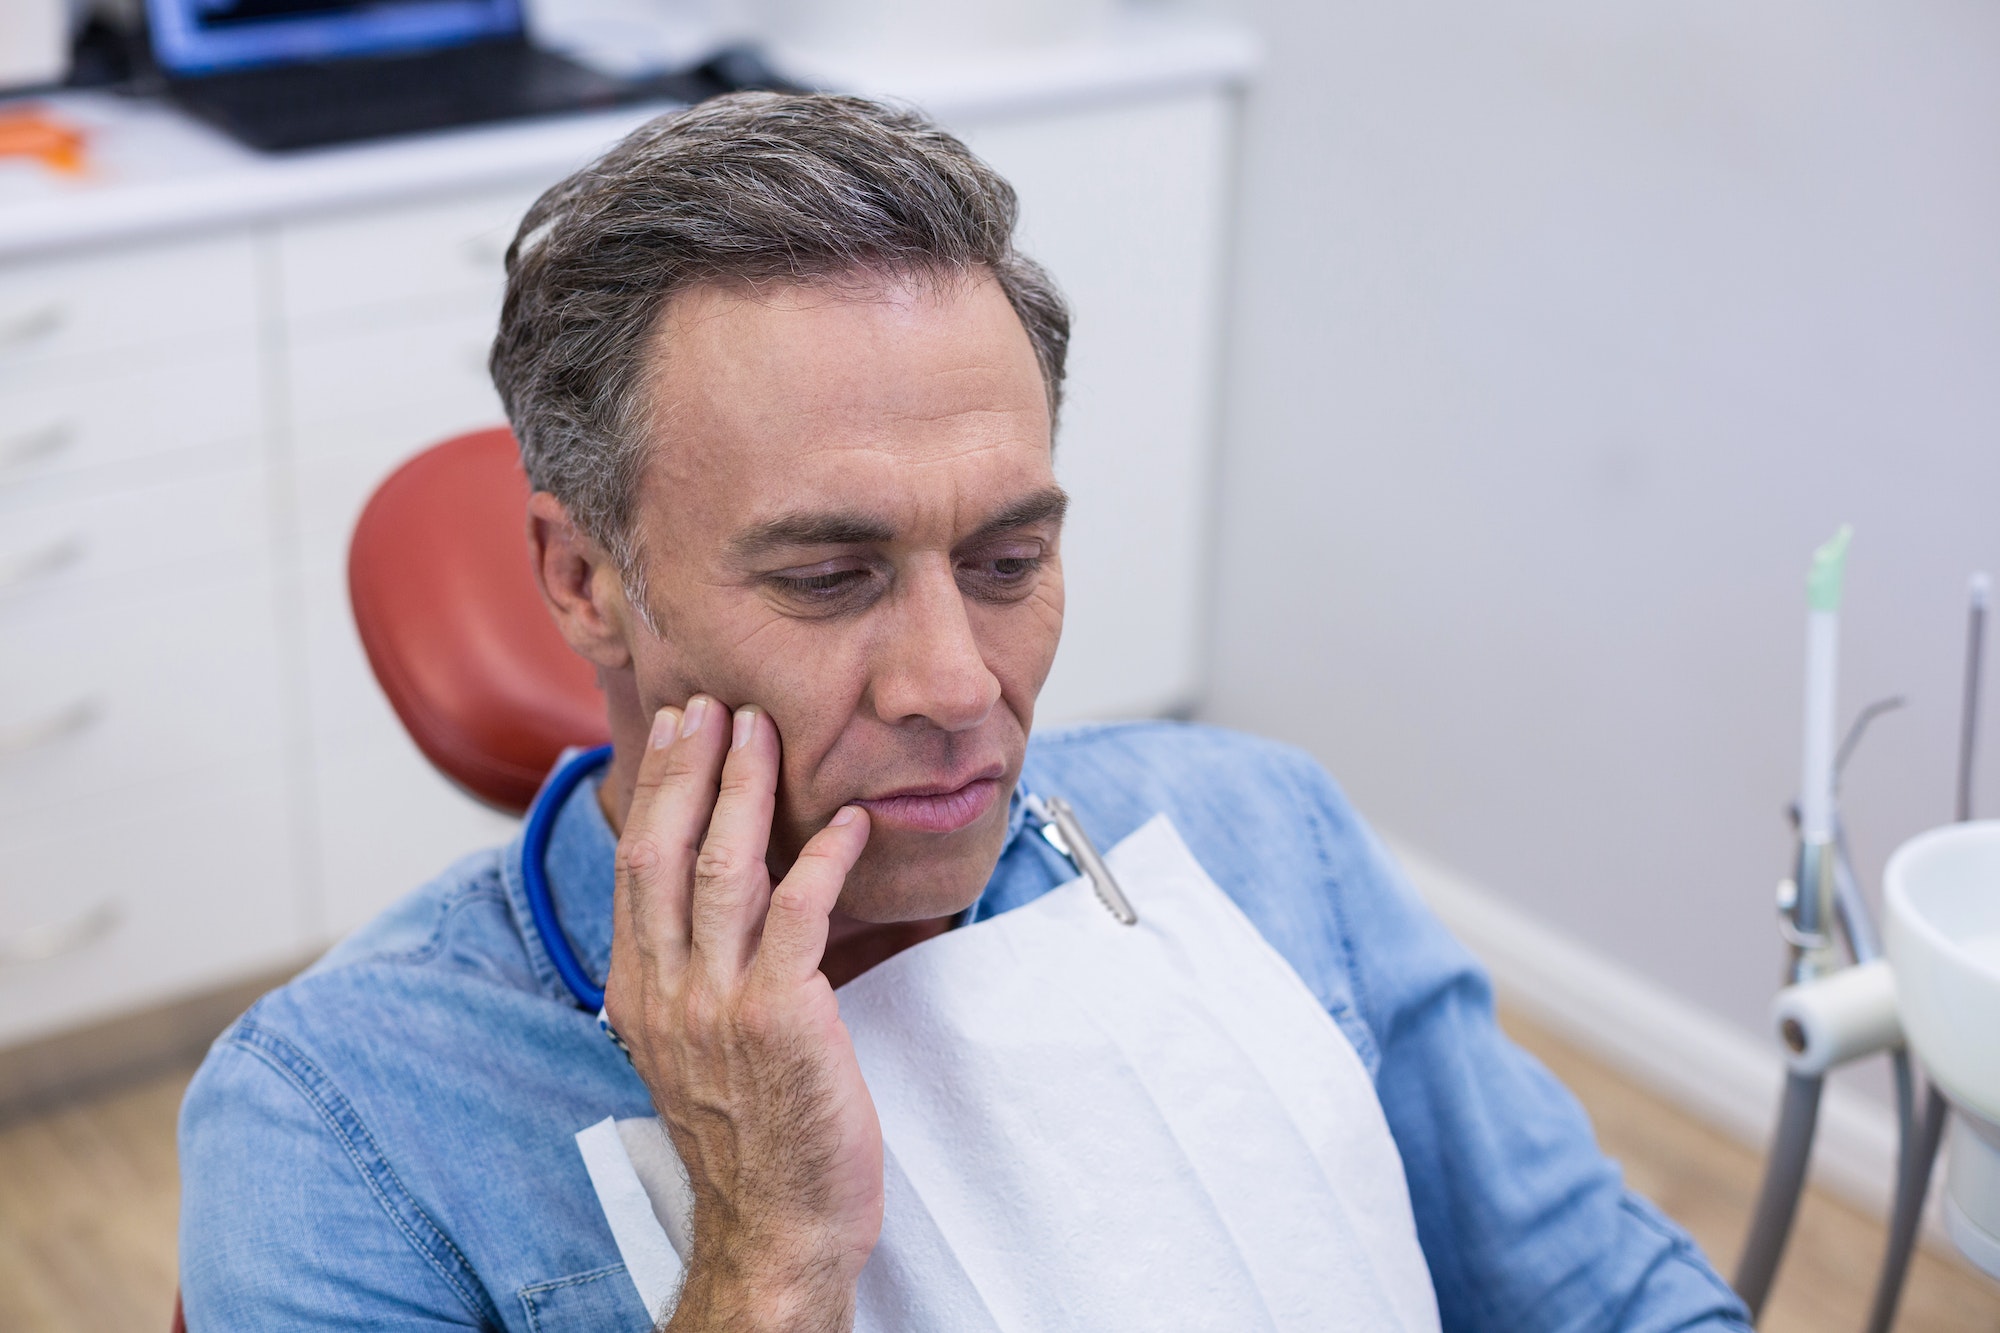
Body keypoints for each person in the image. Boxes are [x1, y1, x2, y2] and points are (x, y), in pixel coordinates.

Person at [177, 93, 1752, 1331]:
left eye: (1008, 558)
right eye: (828, 576)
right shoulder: (337, 1122)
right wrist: (770, 1260)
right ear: (586, 578)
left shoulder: (1262, 833)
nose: (957, 684)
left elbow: (1615, 1302)